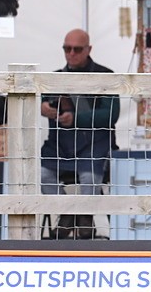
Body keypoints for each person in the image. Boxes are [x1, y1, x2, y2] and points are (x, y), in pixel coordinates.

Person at [40, 29, 120, 239]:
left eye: (77, 49)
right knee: (40, 173)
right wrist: (44, 108)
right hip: (61, 144)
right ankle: (69, 214)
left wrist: (76, 119)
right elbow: (44, 101)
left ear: (88, 49)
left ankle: (85, 216)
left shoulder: (106, 76)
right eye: (67, 48)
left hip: (95, 143)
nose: (71, 53)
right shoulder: (54, 77)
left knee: (89, 175)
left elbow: (111, 115)